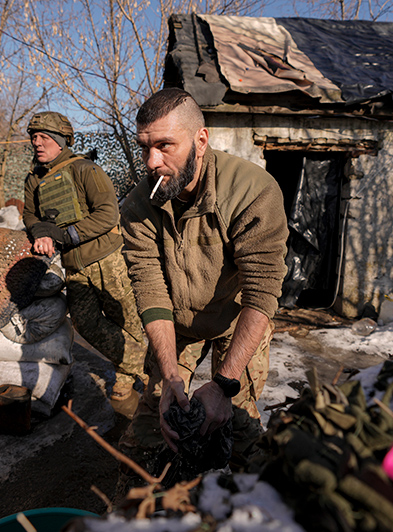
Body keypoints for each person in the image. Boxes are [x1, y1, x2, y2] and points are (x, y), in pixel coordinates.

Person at [118, 88, 288, 473]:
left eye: (165, 146)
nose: (151, 162)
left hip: (237, 320)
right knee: (146, 437)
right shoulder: (137, 206)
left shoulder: (253, 192)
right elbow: (150, 291)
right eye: (145, 146)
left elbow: (261, 296)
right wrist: (169, 376)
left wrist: (225, 385)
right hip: (177, 326)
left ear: (201, 140)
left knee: (239, 430)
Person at [23, 112, 147, 404]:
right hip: (74, 266)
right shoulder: (34, 179)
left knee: (126, 321)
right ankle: (148, 365)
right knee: (85, 322)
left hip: (108, 259)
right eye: (33, 137)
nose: (36, 143)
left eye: (43, 137)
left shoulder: (85, 169)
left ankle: (129, 375)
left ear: (61, 139)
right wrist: (41, 232)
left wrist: (66, 236)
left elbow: (108, 214)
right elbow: (30, 214)